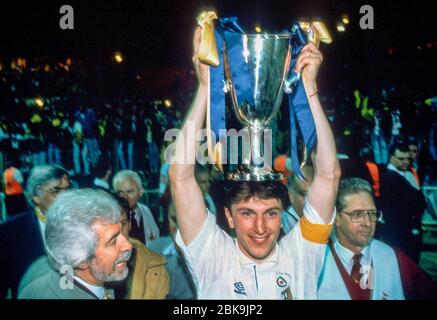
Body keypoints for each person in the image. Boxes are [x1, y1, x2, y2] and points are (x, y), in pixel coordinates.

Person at [169, 27, 341, 299]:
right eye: (247, 213)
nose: (260, 228)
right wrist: (205, 86)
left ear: (284, 212)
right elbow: (180, 176)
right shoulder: (212, 254)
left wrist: (309, 87)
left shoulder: (303, 253)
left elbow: (329, 174)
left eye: (271, 213)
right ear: (229, 216)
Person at [318, 178, 434, 300]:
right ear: (335, 218)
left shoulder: (395, 259)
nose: (368, 223)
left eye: (372, 213)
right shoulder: (316, 264)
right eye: (357, 214)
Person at [19, 189, 133, 299]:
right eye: (113, 241)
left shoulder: (38, 268)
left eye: (121, 231)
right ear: (81, 261)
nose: (128, 245)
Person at [0, 165, 71, 298]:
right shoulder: (10, 231)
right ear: (36, 197)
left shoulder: (81, 225)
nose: (65, 197)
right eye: (56, 190)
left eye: (68, 190)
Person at [111, 196, 169, 299]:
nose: (118, 233)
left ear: (129, 224)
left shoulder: (155, 266)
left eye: (123, 224)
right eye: (111, 226)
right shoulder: (81, 263)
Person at [149, 202, 197, 299]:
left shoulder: (214, 262)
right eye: (174, 220)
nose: (179, 228)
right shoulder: (152, 250)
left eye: (185, 221)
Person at [112, 170, 160, 246]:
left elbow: (155, 238)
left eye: (130, 192)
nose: (125, 197)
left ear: (141, 191)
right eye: (120, 193)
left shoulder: (146, 210)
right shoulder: (112, 217)